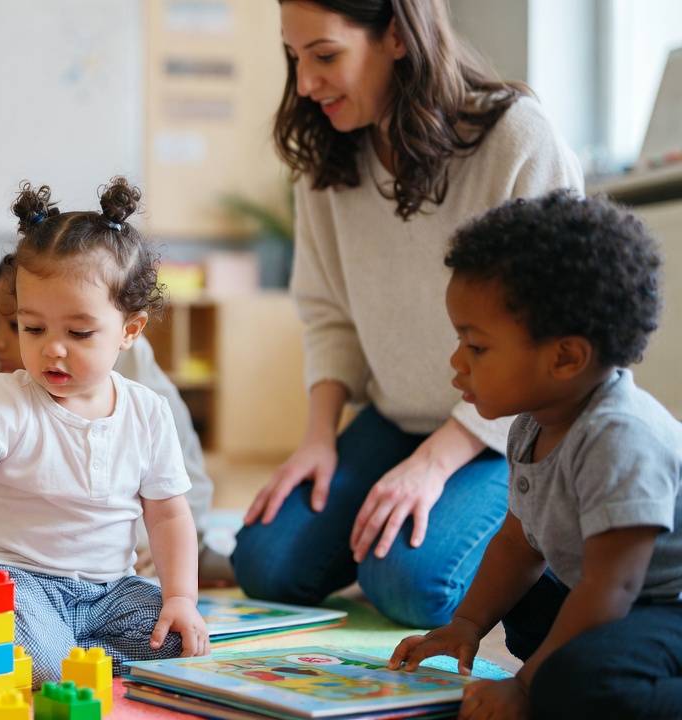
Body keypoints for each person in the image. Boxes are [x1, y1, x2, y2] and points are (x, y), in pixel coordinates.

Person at [232, 0, 583, 628]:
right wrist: (318, 437)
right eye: (294, 58)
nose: (305, 84)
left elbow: (551, 332)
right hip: (397, 418)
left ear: (396, 35)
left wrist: (435, 463)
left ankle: (550, 545)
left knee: (408, 584)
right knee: (266, 563)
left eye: (325, 55)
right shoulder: (326, 156)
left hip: (512, 428)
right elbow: (329, 314)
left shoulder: (516, 138)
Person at [0, 178, 209, 683]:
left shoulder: (148, 411)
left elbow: (169, 514)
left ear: (130, 330)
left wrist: (181, 598)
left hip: (109, 591)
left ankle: (63, 655)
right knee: (36, 659)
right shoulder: (7, 397)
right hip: (12, 579)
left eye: (78, 333)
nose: (51, 348)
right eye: (33, 328)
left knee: (176, 639)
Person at [390, 192, 682, 719]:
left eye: (476, 347)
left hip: (663, 604)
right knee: (525, 606)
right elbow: (517, 544)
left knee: (576, 685)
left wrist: (525, 685)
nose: (457, 361)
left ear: (565, 358)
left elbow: (611, 587)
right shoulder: (533, 421)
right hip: (614, 596)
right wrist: (466, 624)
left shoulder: (621, 438)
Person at [0, 254, 231, 585]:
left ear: (127, 333)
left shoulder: (141, 390)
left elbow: (177, 489)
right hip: (35, 555)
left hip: (128, 547)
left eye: (15, 327)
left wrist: (160, 551)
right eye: (32, 327)